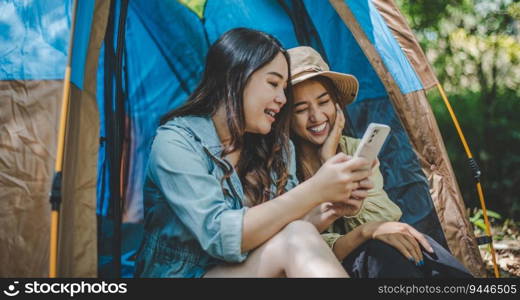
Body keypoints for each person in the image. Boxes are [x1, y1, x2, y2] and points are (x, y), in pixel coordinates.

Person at [134, 28, 374, 278]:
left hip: (246, 271)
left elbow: (282, 235)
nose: (282, 99)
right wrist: (315, 189)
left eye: (284, 89)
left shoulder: (277, 147)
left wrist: (330, 207)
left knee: (299, 235)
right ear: (236, 77)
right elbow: (220, 235)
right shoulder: (175, 143)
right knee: (297, 238)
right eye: (273, 83)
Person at [287, 46, 472, 278]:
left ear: (337, 104)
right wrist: (364, 232)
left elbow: (383, 223)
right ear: (286, 116)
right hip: (335, 264)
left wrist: (330, 157)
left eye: (323, 102)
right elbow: (302, 245)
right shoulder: (282, 166)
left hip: (376, 247)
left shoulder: (355, 150)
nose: (316, 116)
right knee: (378, 253)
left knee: (425, 251)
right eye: (301, 109)